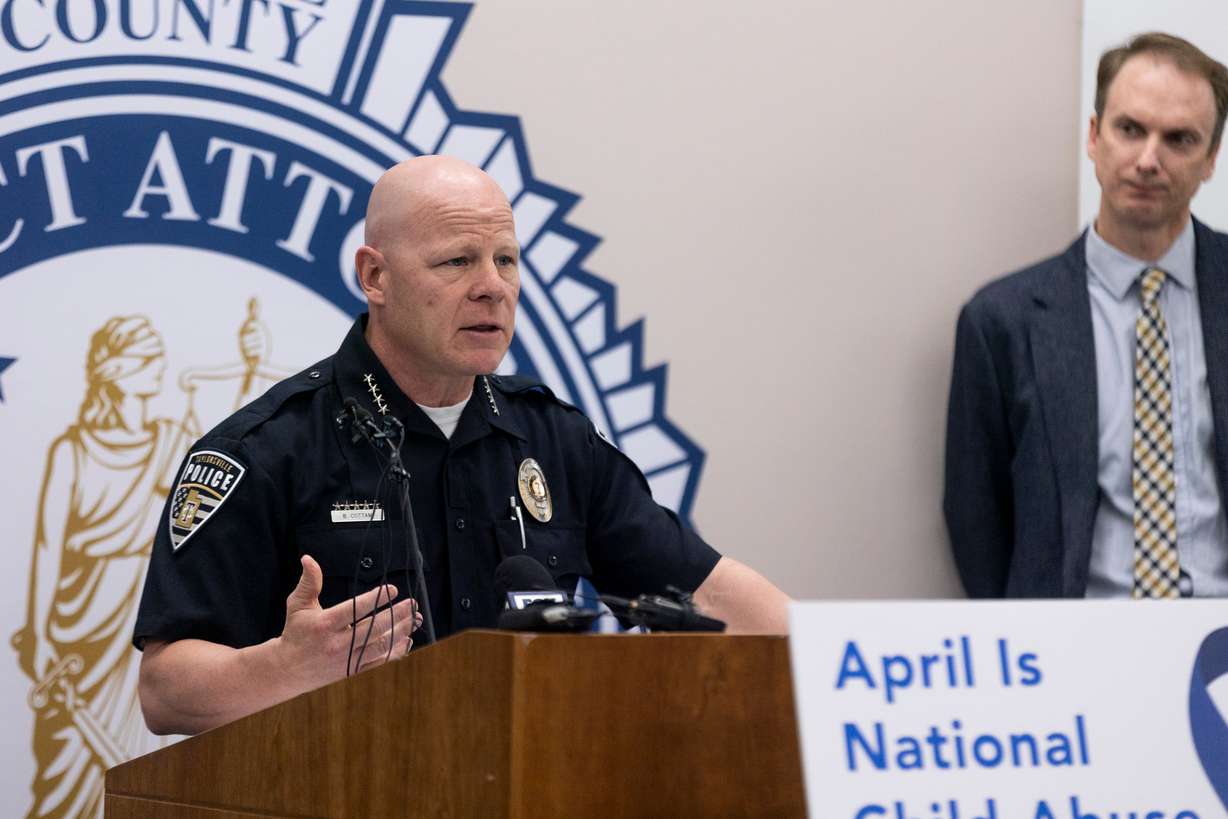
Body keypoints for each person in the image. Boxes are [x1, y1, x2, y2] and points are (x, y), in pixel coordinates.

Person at [134, 155, 791, 736]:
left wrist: (849, 669)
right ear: (375, 277)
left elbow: (713, 596)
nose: (492, 286)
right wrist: (284, 668)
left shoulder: (552, 438)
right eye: (457, 261)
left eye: (506, 260)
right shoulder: (269, 448)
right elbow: (166, 689)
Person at [944, 32, 1228, 599]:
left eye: (1179, 139)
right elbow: (977, 520)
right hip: (1074, 655)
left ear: (1210, 161)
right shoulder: (1002, 321)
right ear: (1094, 137)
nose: (1149, 160)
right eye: (1130, 129)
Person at [13, 316, 192, 818]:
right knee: (65, 774)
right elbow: (49, 551)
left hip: (147, 620)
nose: (157, 364)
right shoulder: (71, 452)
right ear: (115, 370)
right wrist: (42, 638)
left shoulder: (172, 440)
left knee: (145, 759)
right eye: (145, 356)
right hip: (81, 627)